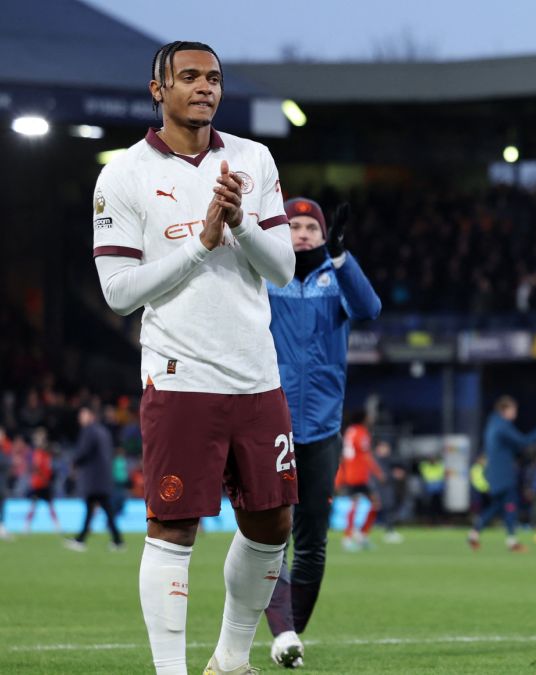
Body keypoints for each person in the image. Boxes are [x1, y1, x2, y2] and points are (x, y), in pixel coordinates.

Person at [91, 41, 297, 675]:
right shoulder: (123, 174)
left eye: (213, 78)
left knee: (273, 525)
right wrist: (204, 244)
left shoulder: (253, 159)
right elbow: (119, 292)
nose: (205, 87)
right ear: (159, 89)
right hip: (180, 377)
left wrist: (240, 226)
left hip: (257, 375)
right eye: (189, 77)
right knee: (173, 528)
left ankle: (230, 659)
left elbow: (284, 269)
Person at [261, 194, 381, 668]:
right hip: (272, 424)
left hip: (324, 427)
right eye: (295, 225)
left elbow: (369, 308)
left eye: (312, 227)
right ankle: (282, 628)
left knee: (312, 539)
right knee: (271, 536)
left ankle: (289, 634)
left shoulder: (337, 277)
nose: (303, 233)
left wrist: (341, 256)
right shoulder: (268, 276)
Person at [469, 396, 536, 552]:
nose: (515, 413)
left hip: (493, 474)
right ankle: (512, 541)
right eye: (513, 410)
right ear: (504, 410)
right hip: (503, 474)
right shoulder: (502, 425)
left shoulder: (492, 424)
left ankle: (474, 533)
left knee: (496, 506)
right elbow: (523, 441)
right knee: (510, 505)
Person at [65, 406, 125, 551]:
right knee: (100, 509)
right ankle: (113, 540)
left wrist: (74, 462)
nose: (80, 418)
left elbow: (83, 452)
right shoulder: (103, 431)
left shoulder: (89, 431)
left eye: (82, 414)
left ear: (90, 415)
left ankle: (84, 540)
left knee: (98, 509)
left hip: (93, 479)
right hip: (103, 478)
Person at [336, 412, 384, 552]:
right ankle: (350, 537)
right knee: (370, 504)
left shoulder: (349, 432)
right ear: (363, 419)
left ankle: (358, 536)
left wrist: (341, 476)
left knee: (364, 504)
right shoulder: (361, 433)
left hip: (351, 474)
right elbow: (366, 455)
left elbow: (345, 455)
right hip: (359, 475)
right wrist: (378, 472)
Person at [23, 429, 59, 534]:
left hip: (43, 483)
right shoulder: (38, 453)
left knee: (48, 504)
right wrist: (43, 477)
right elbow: (36, 467)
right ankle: (27, 525)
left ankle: (56, 525)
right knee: (36, 505)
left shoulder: (46, 453)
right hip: (39, 484)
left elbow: (46, 468)